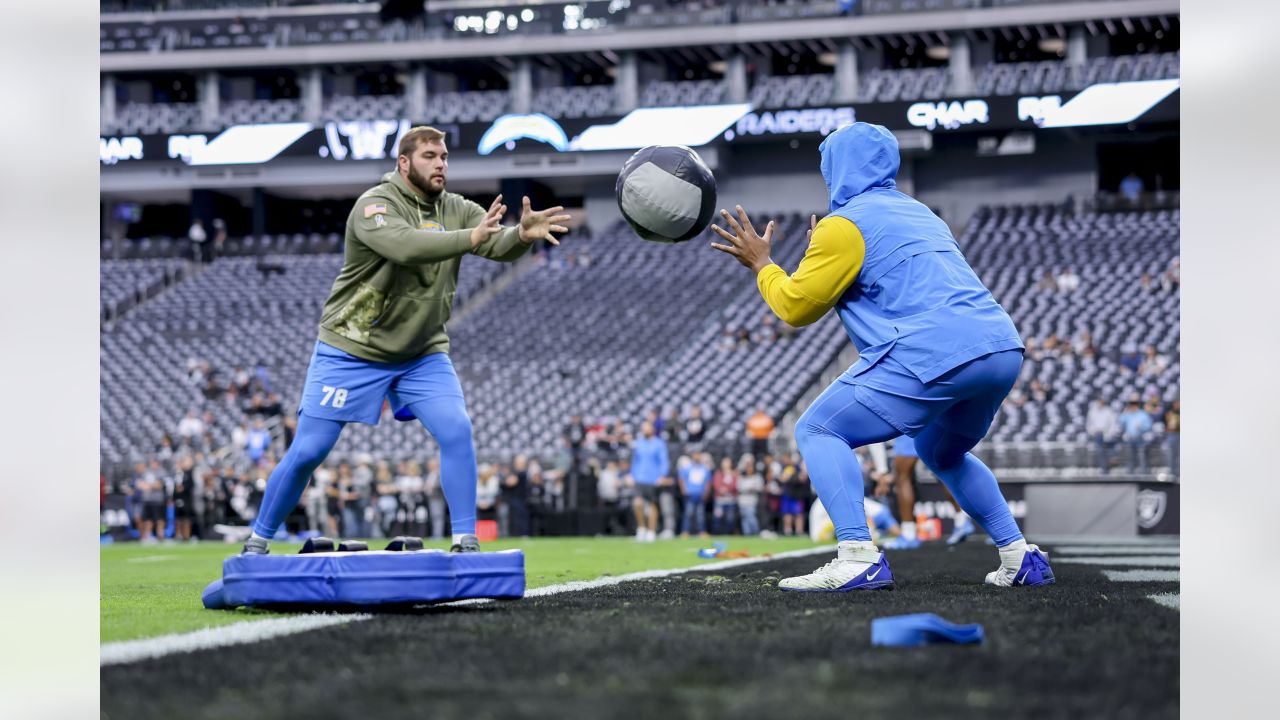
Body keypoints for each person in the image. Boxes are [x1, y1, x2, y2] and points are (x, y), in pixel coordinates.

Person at [710, 122, 1052, 591]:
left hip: (935, 350)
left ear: (837, 168)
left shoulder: (843, 225)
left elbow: (794, 307)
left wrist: (763, 264)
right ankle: (1020, 556)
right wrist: (823, 258)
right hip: (1000, 347)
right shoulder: (920, 213)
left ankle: (856, 556)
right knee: (941, 450)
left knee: (817, 429)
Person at [241, 126, 570, 555]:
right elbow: (407, 246)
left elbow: (495, 244)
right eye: (431, 156)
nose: (441, 164)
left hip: (420, 352)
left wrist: (520, 237)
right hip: (352, 347)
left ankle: (465, 542)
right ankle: (258, 541)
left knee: (456, 429)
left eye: (445, 157)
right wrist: (470, 238)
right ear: (404, 163)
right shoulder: (374, 205)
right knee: (309, 449)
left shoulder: (456, 208)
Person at [627, 421, 670, 543]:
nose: (644, 430)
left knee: (652, 505)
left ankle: (651, 531)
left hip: (653, 479)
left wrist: (662, 475)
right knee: (637, 503)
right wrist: (632, 474)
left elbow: (664, 461)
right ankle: (641, 528)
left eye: (646, 428)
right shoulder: (639, 443)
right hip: (640, 478)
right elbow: (635, 461)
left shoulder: (659, 444)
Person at [678, 453, 711, 537]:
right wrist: (683, 490)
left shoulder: (704, 468)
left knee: (700, 514)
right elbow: (681, 479)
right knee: (688, 513)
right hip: (690, 494)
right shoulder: (688, 467)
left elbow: (708, 482)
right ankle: (685, 531)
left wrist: (706, 492)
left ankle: (702, 531)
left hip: (700, 494)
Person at [1118, 399, 1154, 473]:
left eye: (1134, 405)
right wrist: (1124, 413)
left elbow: (1149, 426)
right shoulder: (1127, 414)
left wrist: (1141, 427)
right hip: (1130, 438)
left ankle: (1144, 472)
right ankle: (1130, 472)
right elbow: (1120, 421)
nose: (1132, 407)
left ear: (1137, 406)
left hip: (1140, 438)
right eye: (1131, 405)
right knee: (1130, 456)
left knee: (1141, 457)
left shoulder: (1143, 414)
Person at [711, 456, 739, 535]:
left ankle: (728, 534)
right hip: (720, 500)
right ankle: (717, 534)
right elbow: (716, 485)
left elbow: (734, 485)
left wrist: (726, 488)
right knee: (717, 518)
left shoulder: (734, 474)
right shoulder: (719, 474)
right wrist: (723, 489)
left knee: (730, 519)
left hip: (730, 500)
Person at [736, 453, 762, 536]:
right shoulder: (742, 477)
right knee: (744, 517)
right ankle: (747, 533)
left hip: (751, 500)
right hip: (742, 500)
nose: (749, 469)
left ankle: (755, 531)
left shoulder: (757, 476)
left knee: (750, 516)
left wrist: (751, 489)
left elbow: (759, 487)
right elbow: (738, 487)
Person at [1164, 399, 1180, 476]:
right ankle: (1172, 471)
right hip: (1172, 435)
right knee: (1172, 454)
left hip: (1179, 434)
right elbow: (1169, 426)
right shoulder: (1170, 413)